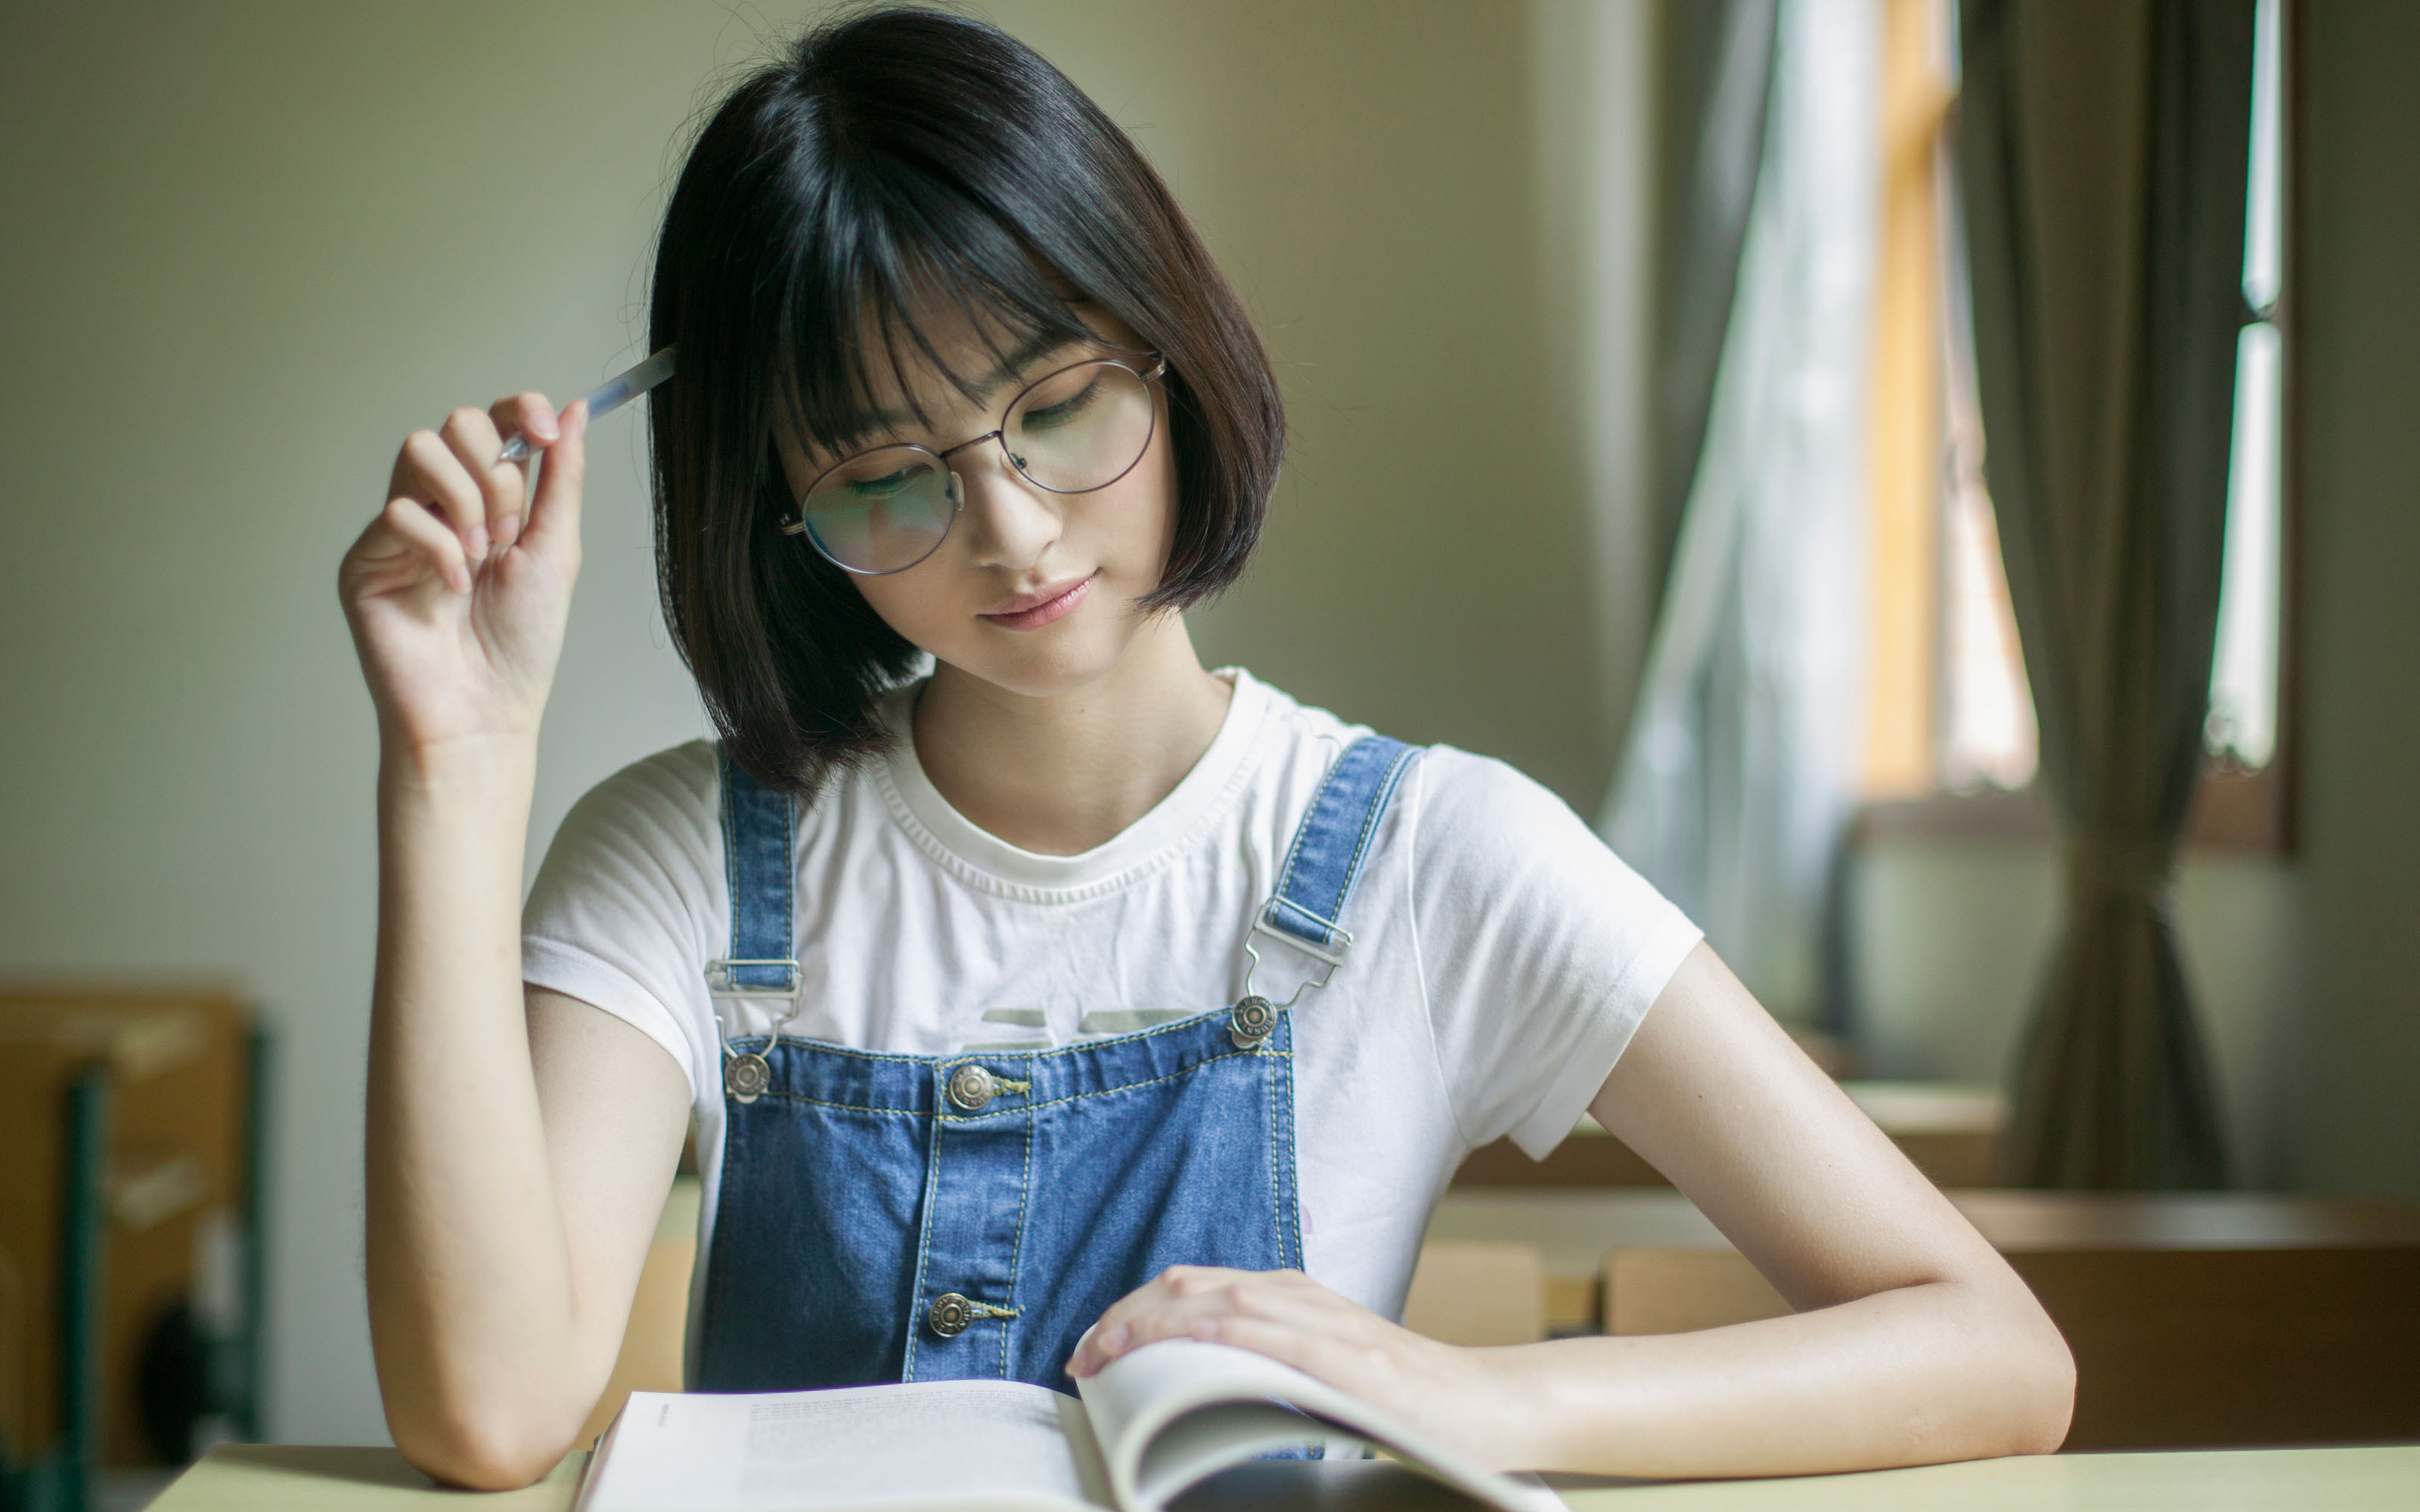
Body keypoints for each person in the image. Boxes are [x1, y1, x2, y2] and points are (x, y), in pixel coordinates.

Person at [339, 5, 2072, 1492]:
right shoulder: (686, 858)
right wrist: (455, 757)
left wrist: (1480, 1398)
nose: (1012, 530)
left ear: (1169, 356)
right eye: (886, 478)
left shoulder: (1435, 856)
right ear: (779, 511)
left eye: (1056, 404)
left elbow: (1992, 1349)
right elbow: (488, 1411)